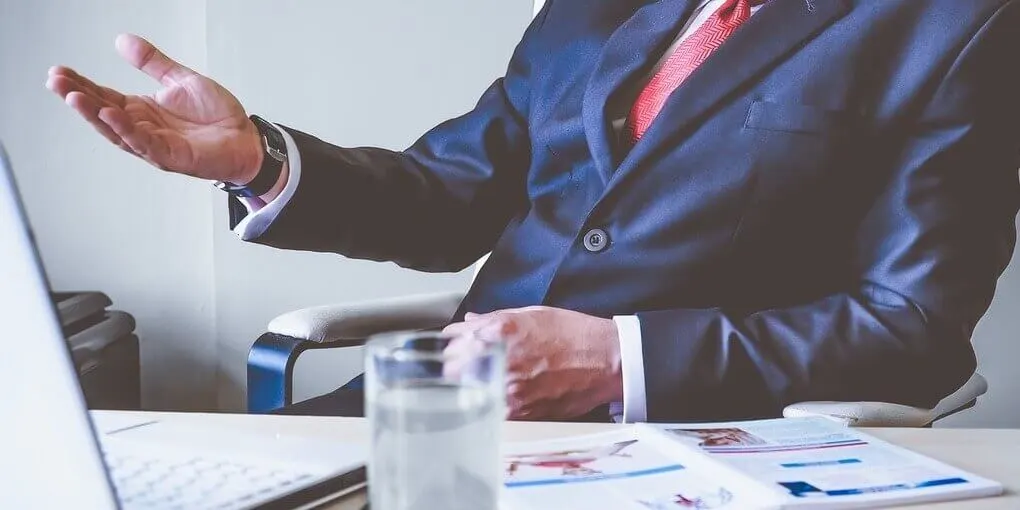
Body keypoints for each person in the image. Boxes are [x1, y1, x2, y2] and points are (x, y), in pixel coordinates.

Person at [47, 0, 1020, 423]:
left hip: (681, 448)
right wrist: (260, 158)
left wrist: (615, 361)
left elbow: (913, 327)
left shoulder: (961, 26)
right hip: (436, 414)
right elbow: (449, 198)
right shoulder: (595, 7)